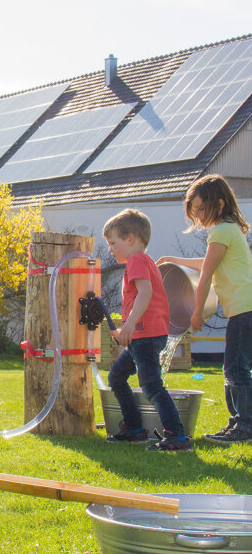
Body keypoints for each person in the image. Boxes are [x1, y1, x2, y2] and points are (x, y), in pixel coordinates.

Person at [158, 175, 252, 444]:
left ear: (219, 204)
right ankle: (239, 423)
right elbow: (207, 262)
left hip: (244, 310)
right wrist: (174, 259)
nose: (197, 216)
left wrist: (197, 312)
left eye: (200, 209)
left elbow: (208, 274)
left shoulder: (223, 230)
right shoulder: (227, 230)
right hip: (243, 309)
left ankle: (245, 425)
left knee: (236, 369)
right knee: (235, 368)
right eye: (194, 211)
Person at [102, 208, 192, 451]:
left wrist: (129, 325)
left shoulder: (137, 260)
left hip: (146, 335)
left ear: (130, 239)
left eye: (113, 242)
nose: (110, 249)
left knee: (151, 385)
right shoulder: (141, 261)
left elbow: (145, 293)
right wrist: (126, 329)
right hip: (142, 336)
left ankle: (177, 436)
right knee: (116, 377)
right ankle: (134, 429)